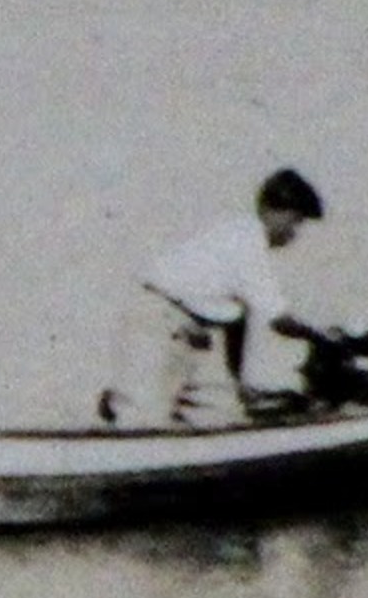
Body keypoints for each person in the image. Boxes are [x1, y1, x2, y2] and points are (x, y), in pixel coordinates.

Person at [137, 167, 333, 428]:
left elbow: (236, 323)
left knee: (212, 410)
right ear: (273, 211)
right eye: (295, 221)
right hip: (160, 319)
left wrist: (239, 383)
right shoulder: (248, 241)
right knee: (143, 416)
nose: (294, 233)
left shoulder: (238, 239)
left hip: (186, 327)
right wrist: (321, 339)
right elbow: (279, 319)